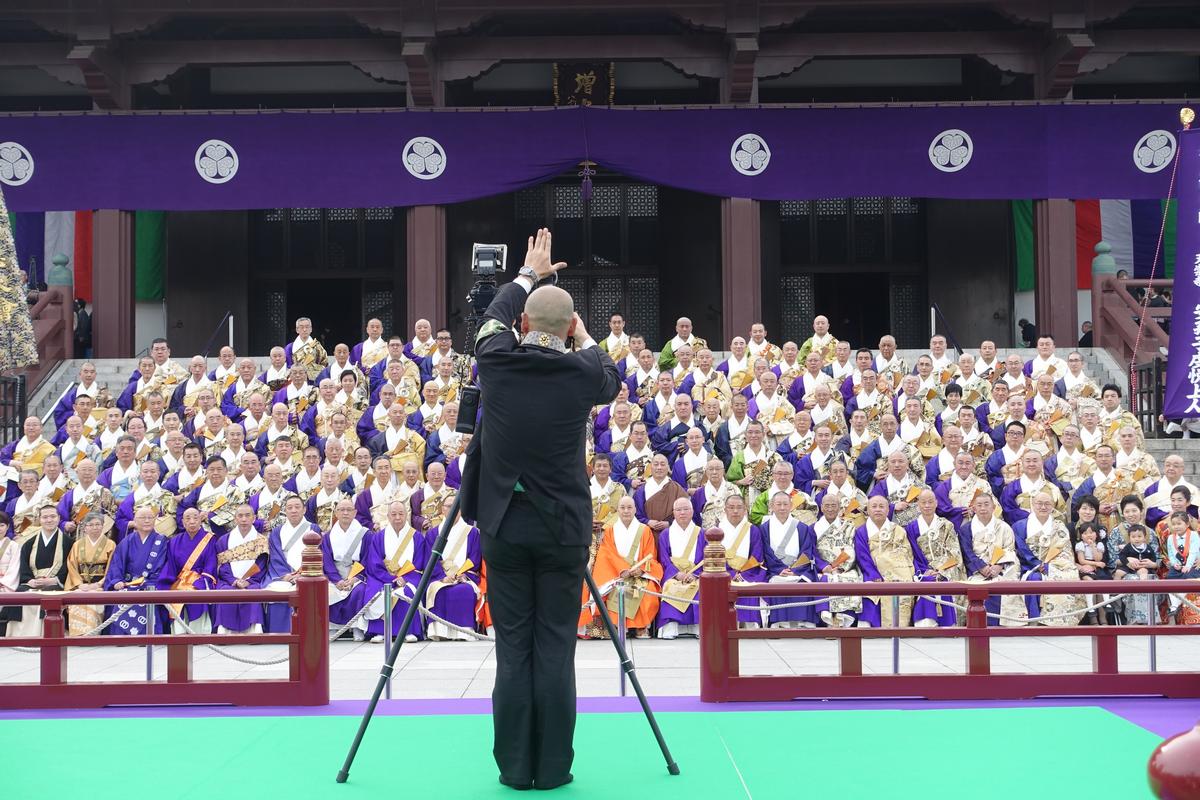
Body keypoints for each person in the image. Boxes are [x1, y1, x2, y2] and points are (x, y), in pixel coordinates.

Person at [458, 228, 621, 791]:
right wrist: (581, 332)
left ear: (524, 325)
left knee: (513, 650)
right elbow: (610, 373)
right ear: (570, 328)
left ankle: (513, 767)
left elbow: (493, 317)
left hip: (505, 524)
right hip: (562, 532)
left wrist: (530, 274)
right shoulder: (582, 373)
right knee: (555, 650)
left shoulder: (497, 361)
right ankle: (552, 769)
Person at [580, 495, 662, 638]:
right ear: (617, 510)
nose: (626, 511)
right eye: (622, 508)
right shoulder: (611, 531)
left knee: (648, 591)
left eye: (629, 507)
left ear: (635, 509)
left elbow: (650, 555)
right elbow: (607, 554)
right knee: (612, 590)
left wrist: (640, 570)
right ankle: (619, 625)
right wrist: (622, 569)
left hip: (639, 574)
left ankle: (640, 627)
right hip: (616, 573)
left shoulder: (645, 530)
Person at [3, 506, 73, 636]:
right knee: (21, 593)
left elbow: (70, 565)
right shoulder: (29, 543)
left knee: (48, 594)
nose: (49, 520)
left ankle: (45, 634)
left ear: (59, 518)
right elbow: (23, 565)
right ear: (39, 519)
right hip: (33, 581)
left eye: (52, 516)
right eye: (45, 517)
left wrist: (55, 580)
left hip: (55, 582)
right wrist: (29, 580)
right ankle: (19, 635)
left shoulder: (69, 543)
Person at [101, 506, 169, 635]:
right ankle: (121, 636)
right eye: (143, 518)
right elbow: (117, 564)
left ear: (155, 520)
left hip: (150, 584)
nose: (147, 521)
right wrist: (116, 581)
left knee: (148, 595)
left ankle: (148, 635)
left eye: (150, 517)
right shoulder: (127, 541)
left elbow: (163, 566)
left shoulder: (162, 541)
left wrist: (151, 582)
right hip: (128, 584)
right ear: (135, 521)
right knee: (122, 595)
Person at [424, 496, 482, 641]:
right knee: (438, 590)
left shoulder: (472, 532)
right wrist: (442, 577)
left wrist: (462, 575)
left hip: (463, 577)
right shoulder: (433, 533)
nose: (452, 510)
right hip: (441, 577)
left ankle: (464, 632)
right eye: (448, 506)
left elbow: (474, 558)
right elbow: (430, 560)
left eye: (456, 506)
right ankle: (440, 632)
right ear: (442, 509)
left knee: (464, 589)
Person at [760, 491, 819, 628]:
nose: (782, 508)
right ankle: (780, 622)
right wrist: (779, 569)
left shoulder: (802, 527)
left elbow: (807, 550)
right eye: (778, 504)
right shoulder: (764, 528)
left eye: (785, 504)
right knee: (776, 582)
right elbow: (765, 553)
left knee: (803, 582)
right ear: (771, 506)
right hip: (775, 571)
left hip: (798, 570)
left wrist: (796, 570)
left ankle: (803, 622)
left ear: (791, 505)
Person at [214, 504, 270, 634]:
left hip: (252, 581)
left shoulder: (261, 540)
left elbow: (261, 564)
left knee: (254, 591)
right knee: (225, 592)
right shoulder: (224, 540)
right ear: (235, 519)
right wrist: (233, 580)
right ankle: (224, 628)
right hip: (230, 581)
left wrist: (249, 580)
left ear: (254, 518)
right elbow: (222, 565)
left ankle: (254, 627)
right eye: (240, 516)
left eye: (247, 515)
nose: (244, 519)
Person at [655, 496, 705, 640]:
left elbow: (706, 559)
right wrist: (677, 574)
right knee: (671, 587)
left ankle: (697, 626)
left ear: (692, 511)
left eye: (685, 509)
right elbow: (663, 559)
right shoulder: (665, 534)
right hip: (674, 575)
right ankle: (671, 626)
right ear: (673, 513)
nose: (682, 513)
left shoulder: (701, 533)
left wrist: (695, 574)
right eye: (678, 510)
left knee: (699, 587)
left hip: (695, 575)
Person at [1163, 511, 1200, 624]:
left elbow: (1193, 552)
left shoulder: (1193, 535)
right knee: (1170, 578)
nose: (1176, 526)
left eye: (1179, 524)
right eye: (1174, 524)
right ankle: (1174, 606)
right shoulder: (1170, 538)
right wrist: (1175, 564)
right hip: (1179, 566)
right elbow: (1171, 553)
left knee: (1189, 578)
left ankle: (1176, 604)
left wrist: (1188, 566)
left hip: (1193, 564)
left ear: (1187, 524)